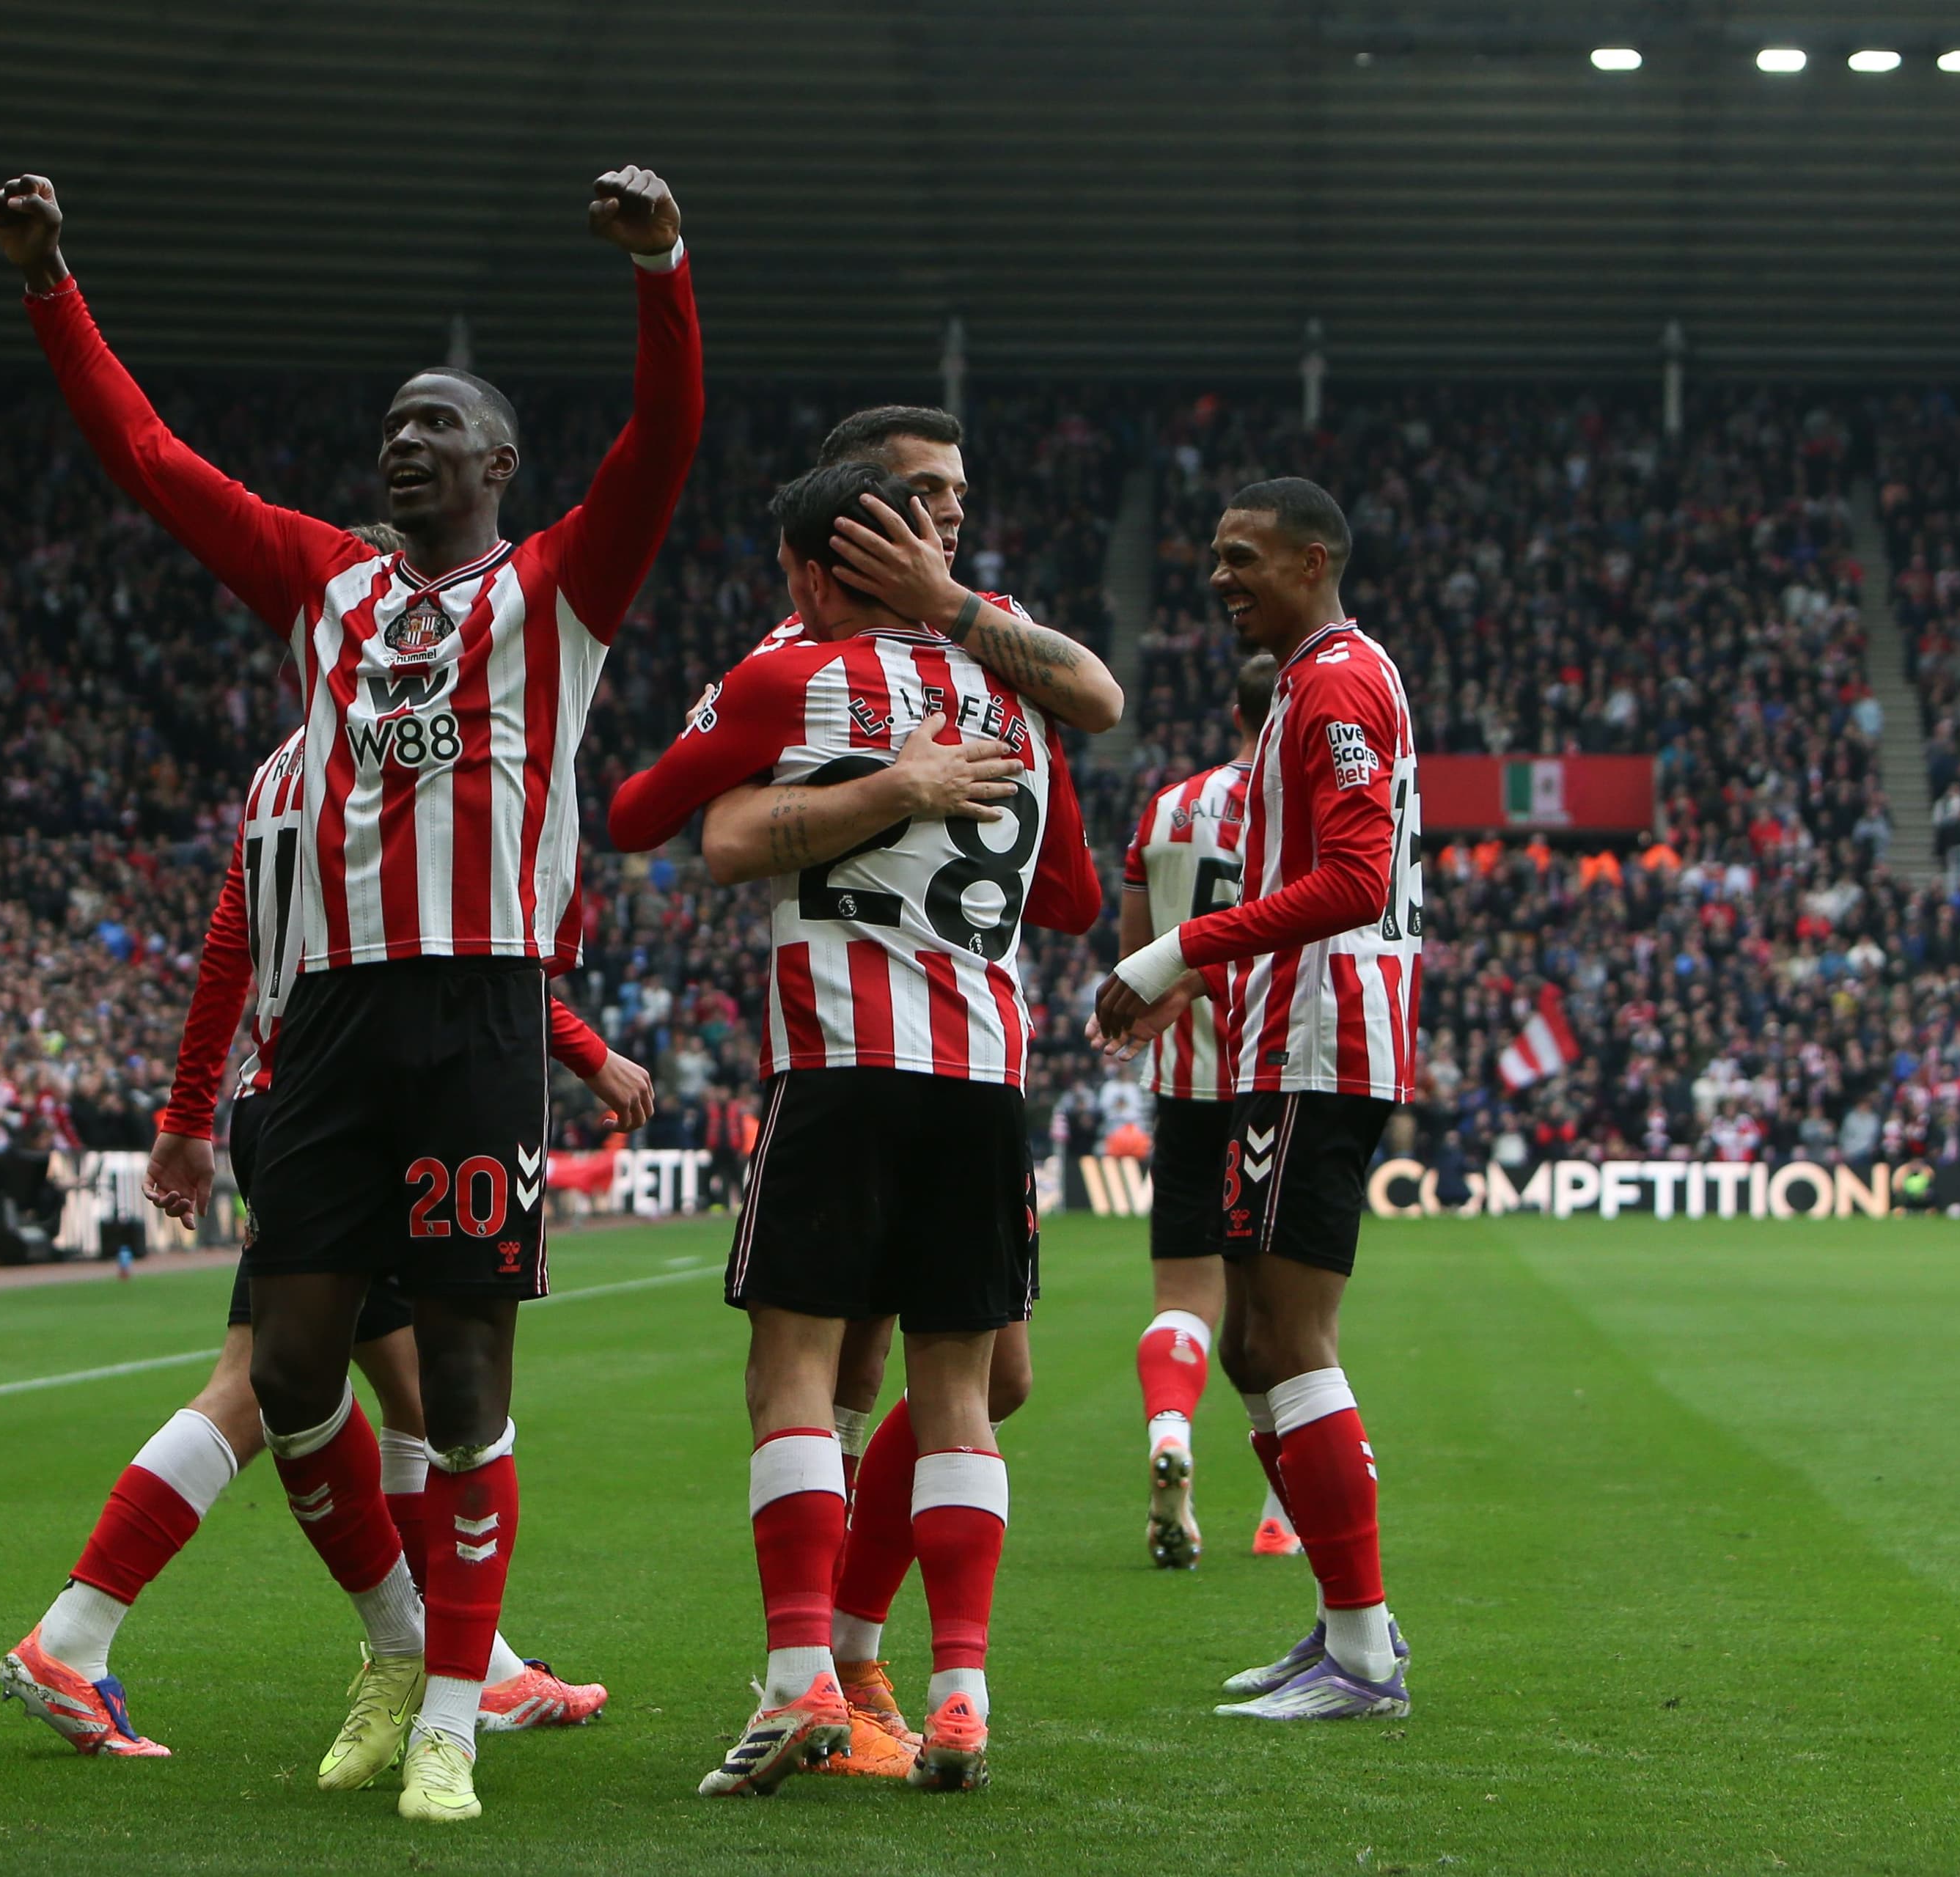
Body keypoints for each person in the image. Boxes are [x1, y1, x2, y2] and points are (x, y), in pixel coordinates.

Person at [0, 158, 700, 1824]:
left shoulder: (558, 595)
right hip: (329, 1035)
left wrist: (662, 270)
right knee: (296, 1372)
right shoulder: (325, 585)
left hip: (472, 1017)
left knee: (457, 1382)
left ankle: (450, 1704)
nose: (402, 438)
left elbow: (656, 449)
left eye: (436, 423)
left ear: (498, 466)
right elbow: (154, 465)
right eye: (391, 419)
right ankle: (405, 1645)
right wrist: (48, 285)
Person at [0, 727, 655, 1757]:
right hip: (357, 1110)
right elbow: (449, 949)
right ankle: (445, 1662)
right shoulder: (394, 757)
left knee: (296, 1385)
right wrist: (584, 1051)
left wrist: (190, 1111)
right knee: (413, 1394)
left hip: (288, 1106)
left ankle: (87, 1638)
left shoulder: (275, 770)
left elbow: (232, 939)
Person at [606, 459, 1106, 1796]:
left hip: (841, 1065)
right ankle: (961, 1700)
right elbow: (1072, 894)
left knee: (797, 1380)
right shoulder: (1027, 700)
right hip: (986, 1079)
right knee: (962, 1395)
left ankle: (798, 1680)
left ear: (823, 575)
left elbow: (645, 817)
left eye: (791, 578)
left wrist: (837, 796)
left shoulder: (788, 679)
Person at [1092, 477, 1424, 1722]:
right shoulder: (1309, 676)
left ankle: (1365, 1656)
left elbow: (1353, 877)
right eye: (1215, 558)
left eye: (1245, 558)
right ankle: (1352, 1626)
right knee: (1246, 1339)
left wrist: (1183, 950)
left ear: (1314, 558)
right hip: (1287, 1040)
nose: (1221, 577)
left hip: (1318, 1038)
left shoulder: (1335, 679)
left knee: (1288, 1339)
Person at [1115, 651, 1289, 1569]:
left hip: (1186, 1086)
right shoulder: (1308, 800)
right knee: (1287, 1312)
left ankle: (1170, 1430)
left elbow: (1137, 957)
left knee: (1184, 1296)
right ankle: (1279, 1511)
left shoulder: (1169, 808)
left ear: (1232, 712)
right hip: (1280, 1079)